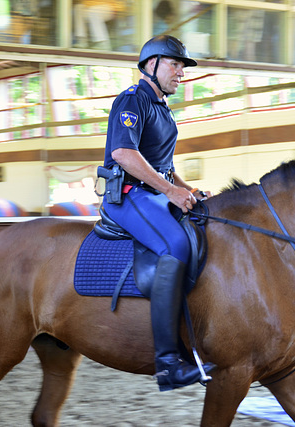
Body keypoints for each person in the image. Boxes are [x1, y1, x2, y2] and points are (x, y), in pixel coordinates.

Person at [101, 34, 215, 391]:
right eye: (174, 63)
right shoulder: (132, 101)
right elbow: (124, 154)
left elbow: (162, 166)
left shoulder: (161, 108)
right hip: (128, 195)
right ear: (150, 65)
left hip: (153, 195)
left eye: (181, 65)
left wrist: (188, 189)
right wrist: (170, 190)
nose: (181, 72)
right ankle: (167, 363)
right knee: (176, 247)